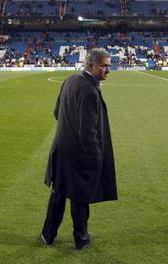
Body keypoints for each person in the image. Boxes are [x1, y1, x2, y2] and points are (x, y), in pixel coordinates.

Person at [41, 48, 118, 250]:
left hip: (60, 150)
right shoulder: (90, 91)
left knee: (58, 193)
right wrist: (95, 159)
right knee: (80, 196)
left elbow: (57, 113)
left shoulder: (69, 80)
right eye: (104, 66)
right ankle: (81, 238)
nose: (108, 70)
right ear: (90, 65)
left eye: (109, 65)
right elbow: (88, 132)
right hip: (78, 155)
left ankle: (48, 234)